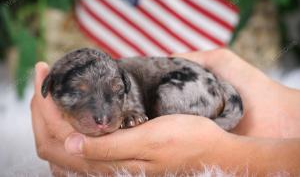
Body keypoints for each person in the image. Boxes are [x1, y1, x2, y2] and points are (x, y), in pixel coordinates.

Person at [31, 49, 300, 176]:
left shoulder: (128, 85)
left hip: (187, 85)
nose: (103, 116)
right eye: (79, 92)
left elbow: (132, 104)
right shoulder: (61, 81)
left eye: (115, 91)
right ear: (49, 87)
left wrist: (227, 153)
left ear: (123, 85)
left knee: (168, 99)